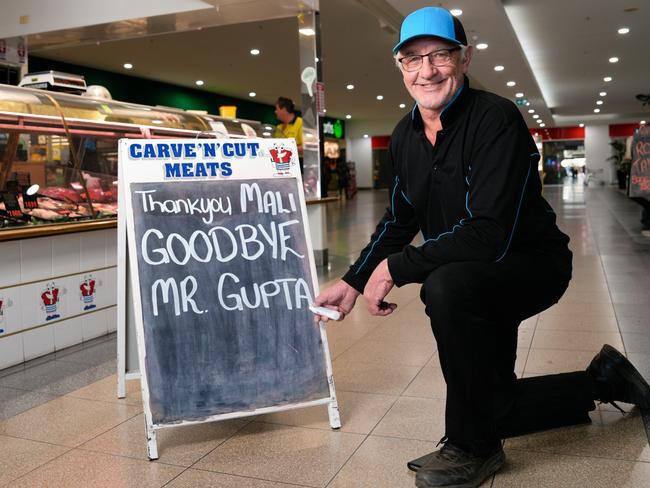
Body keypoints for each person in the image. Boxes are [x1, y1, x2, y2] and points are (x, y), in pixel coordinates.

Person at [313, 7, 650, 488]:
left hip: (530, 264)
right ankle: (602, 381)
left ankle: (473, 447)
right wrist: (353, 280)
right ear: (400, 67)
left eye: (439, 55)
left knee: (445, 287)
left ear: (464, 58)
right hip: (473, 270)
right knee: (493, 402)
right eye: (412, 59)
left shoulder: (496, 119)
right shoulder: (406, 137)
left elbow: (489, 231)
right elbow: (399, 218)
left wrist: (398, 268)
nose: (426, 70)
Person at [273, 97, 304, 171]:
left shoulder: (300, 123)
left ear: (284, 109)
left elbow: (306, 148)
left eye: (277, 109)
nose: (275, 112)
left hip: (297, 166)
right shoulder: (278, 127)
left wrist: (287, 149)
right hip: (279, 165)